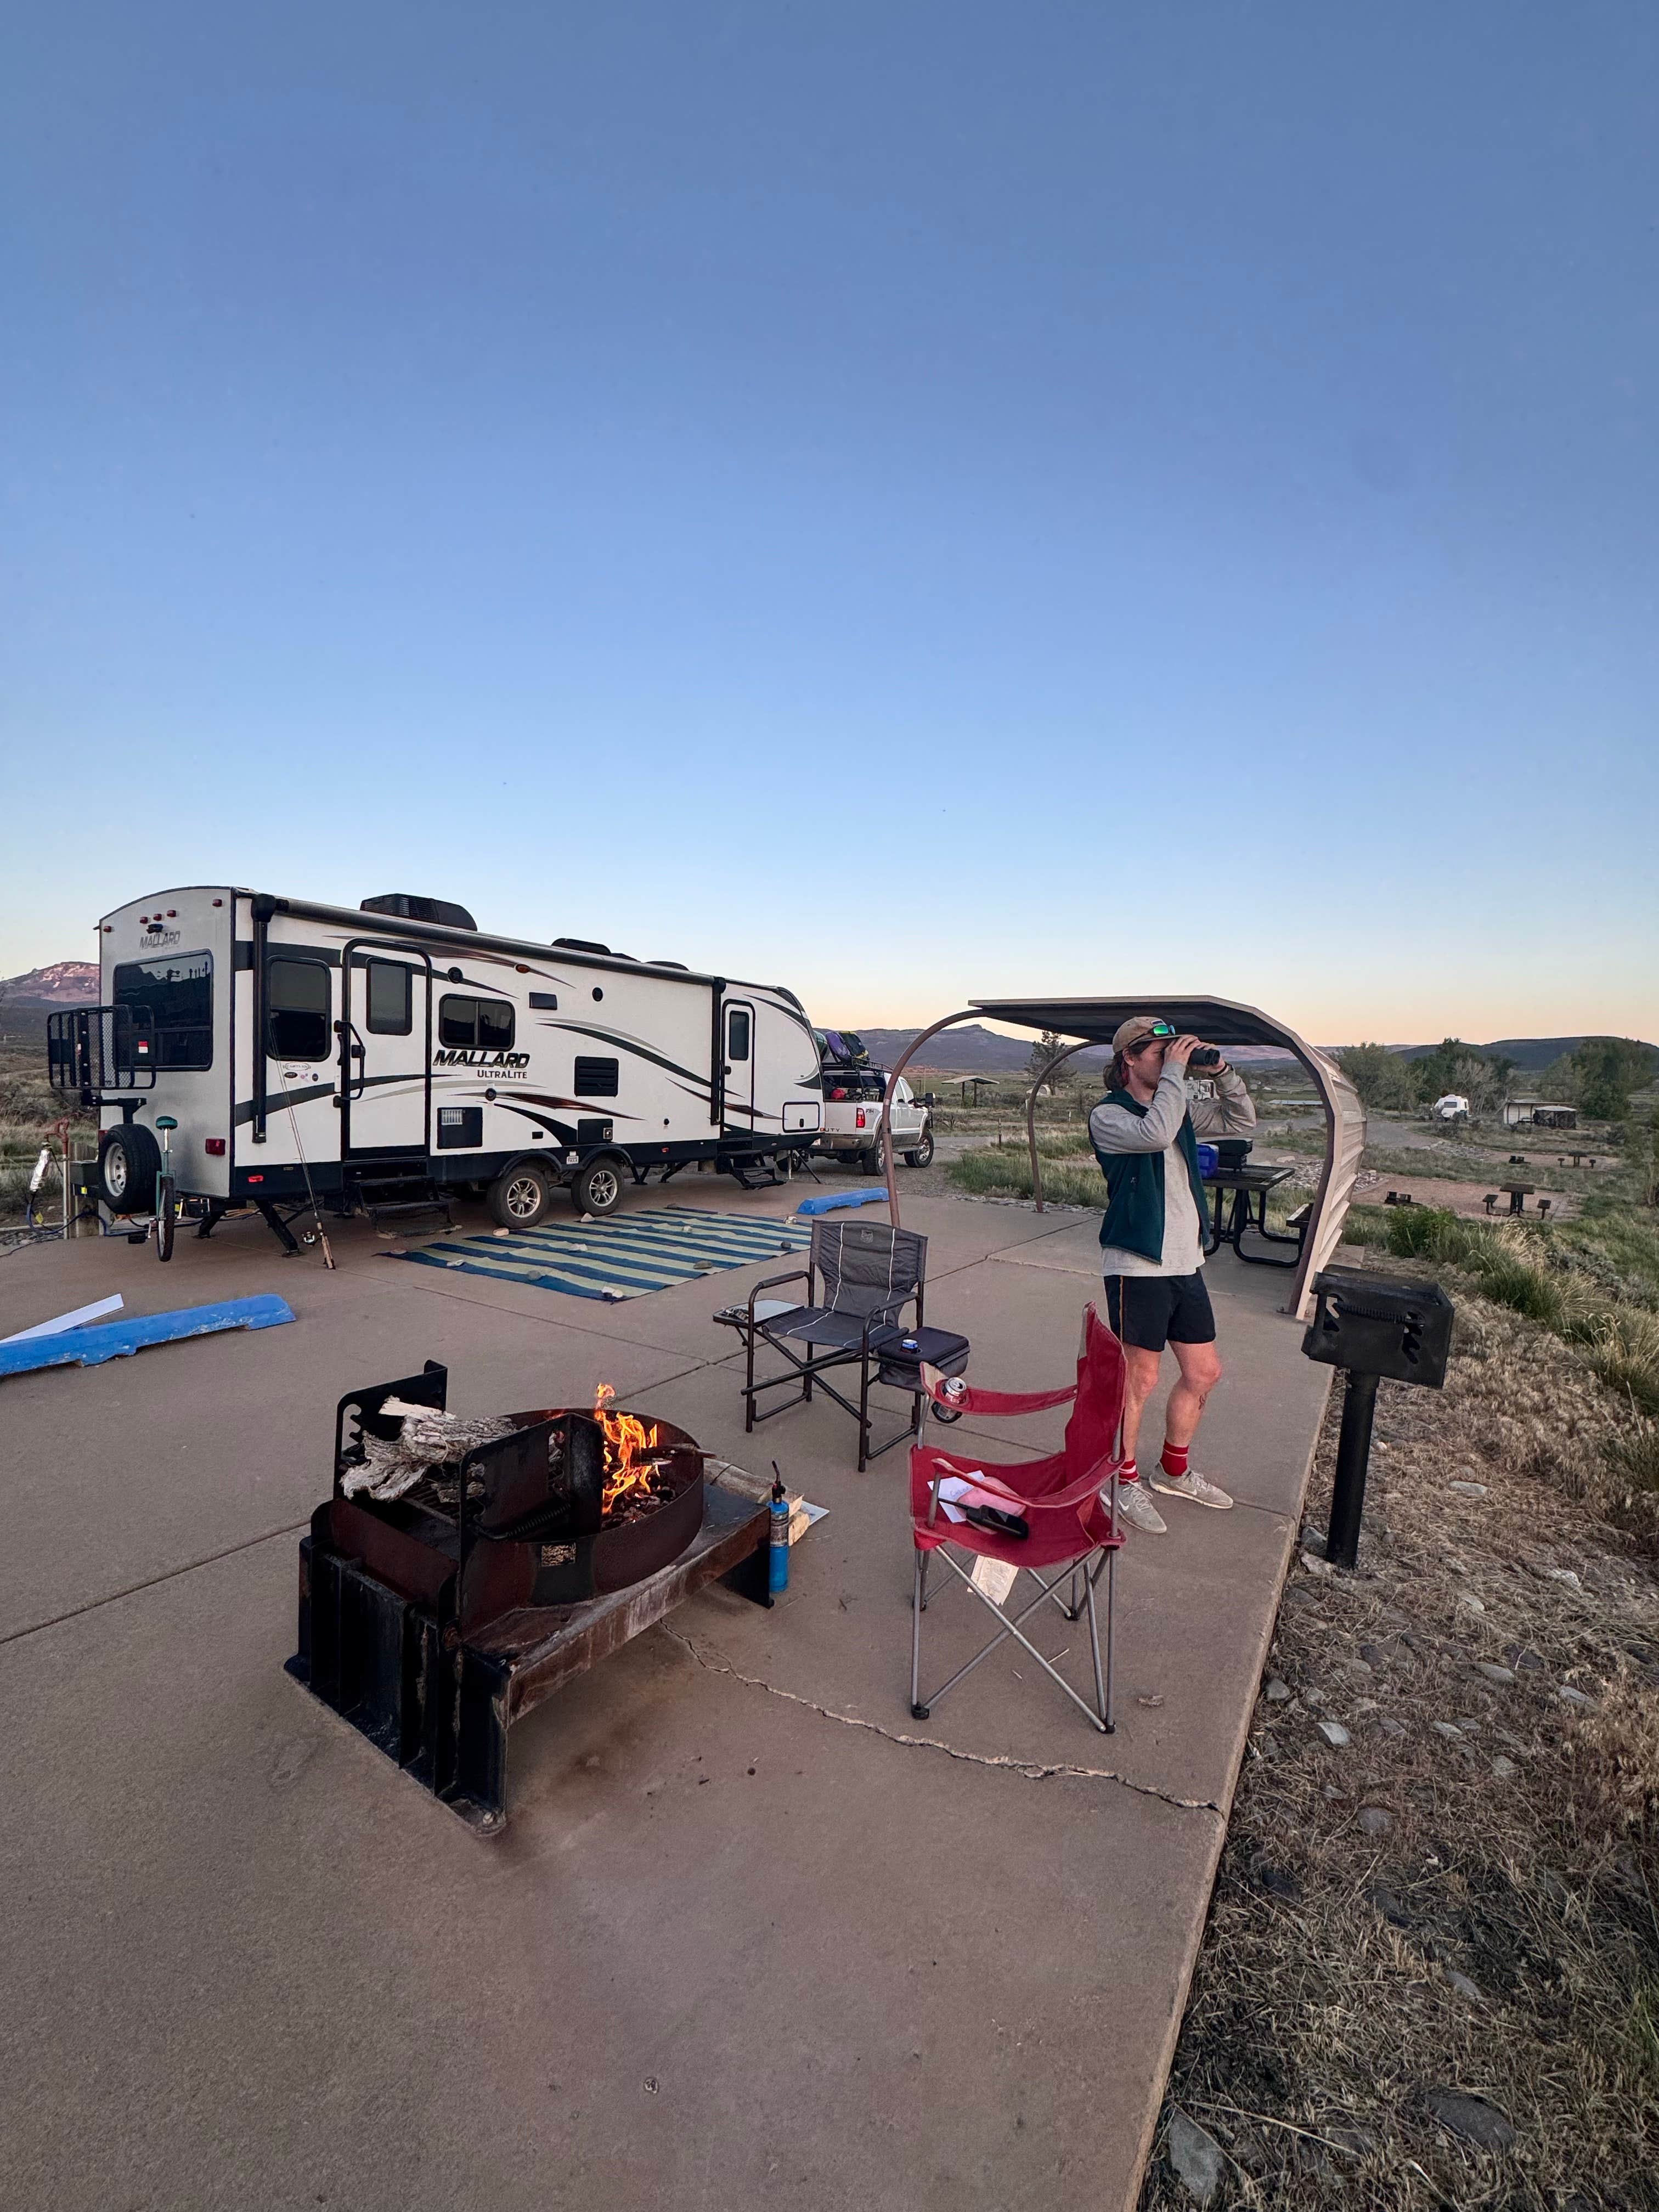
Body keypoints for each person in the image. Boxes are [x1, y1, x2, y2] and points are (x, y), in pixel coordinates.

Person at [1087, 1015, 1257, 1534]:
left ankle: (1173, 1471)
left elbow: (1242, 1120)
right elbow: (1157, 1132)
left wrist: (1221, 1071)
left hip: (1186, 1261)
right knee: (1139, 1379)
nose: (1168, 1060)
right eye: (1157, 1053)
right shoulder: (1110, 1115)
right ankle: (1122, 1479)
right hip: (1138, 1263)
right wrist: (1178, 1076)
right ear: (1128, 1059)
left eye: (1171, 1052)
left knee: (1204, 1373)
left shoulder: (1174, 1104)